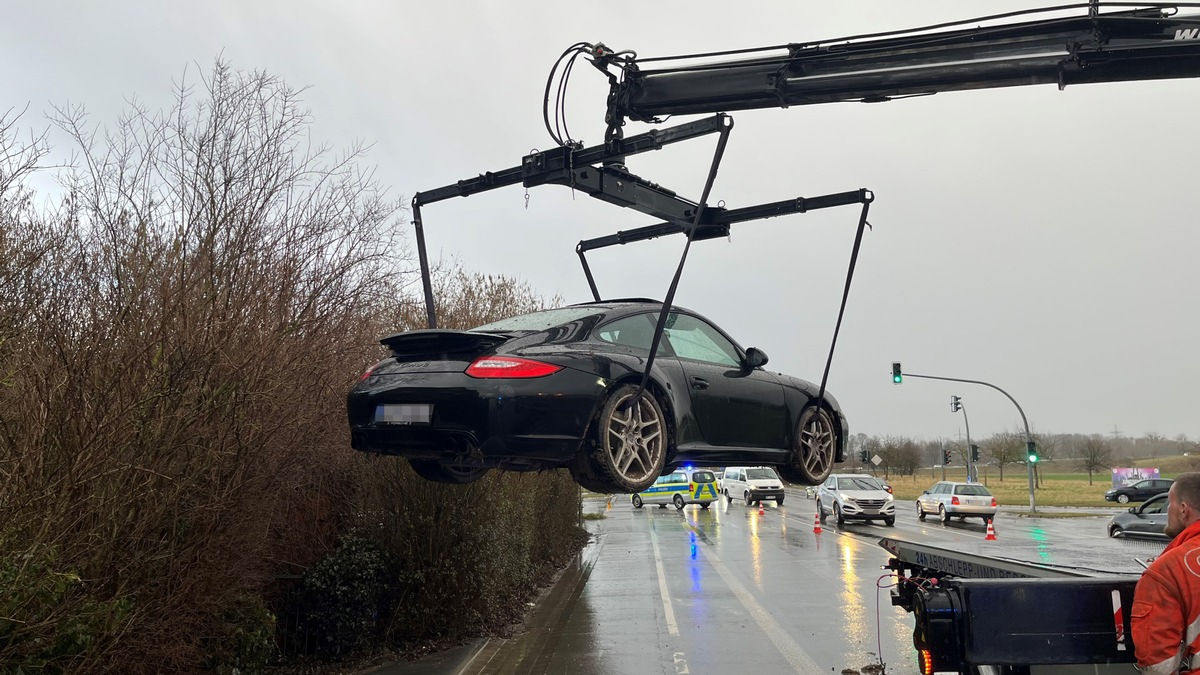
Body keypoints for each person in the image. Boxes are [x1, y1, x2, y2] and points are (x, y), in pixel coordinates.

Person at [1133, 472, 1200, 675]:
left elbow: (1159, 666)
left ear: (1183, 510)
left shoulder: (1166, 572)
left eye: (1169, 503)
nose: (1167, 510)